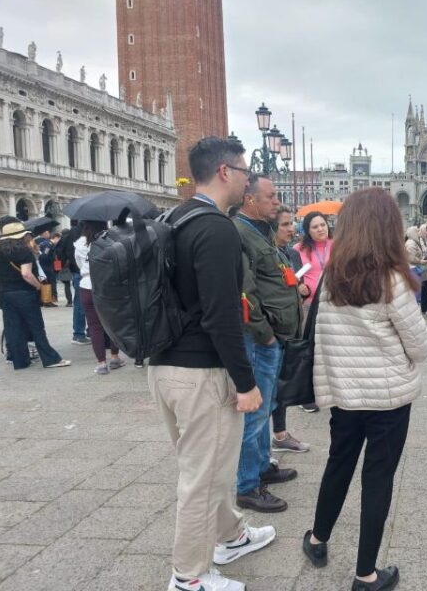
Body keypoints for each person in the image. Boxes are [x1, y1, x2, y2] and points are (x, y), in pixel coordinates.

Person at [149, 137, 275, 591]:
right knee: (202, 478)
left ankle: (231, 536)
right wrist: (245, 382)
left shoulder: (174, 217)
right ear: (224, 172)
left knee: (211, 465)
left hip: (163, 366)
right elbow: (222, 315)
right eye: (243, 170)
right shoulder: (217, 229)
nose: (247, 178)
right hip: (201, 371)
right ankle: (188, 578)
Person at [302, 187, 427, 591]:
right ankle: (366, 574)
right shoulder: (391, 279)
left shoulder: (331, 277)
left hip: (346, 395)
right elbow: (421, 345)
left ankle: (319, 539)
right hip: (388, 399)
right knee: (378, 477)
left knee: (338, 463)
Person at [234, 176, 302, 513]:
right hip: (259, 337)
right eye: (271, 196)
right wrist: (266, 333)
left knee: (266, 405)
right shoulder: (241, 232)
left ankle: (261, 467)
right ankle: (246, 485)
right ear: (249, 199)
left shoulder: (260, 231)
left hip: (270, 336)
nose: (277, 201)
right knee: (256, 413)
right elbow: (244, 291)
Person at [0, 222, 71, 370]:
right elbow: (26, 273)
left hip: (5, 293)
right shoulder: (23, 250)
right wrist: (38, 286)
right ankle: (50, 359)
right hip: (24, 293)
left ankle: (20, 361)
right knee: (36, 326)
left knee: (14, 327)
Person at [271, 204, 311, 453]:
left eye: (292, 223)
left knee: (281, 385)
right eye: (285, 224)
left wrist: (301, 289)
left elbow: (297, 282)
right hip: (271, 332)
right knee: (270, 388)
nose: (292, 228)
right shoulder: (267, 253)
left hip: (289, 329)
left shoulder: (289, 253)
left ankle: (280, 433)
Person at [74, 220, 126, 375]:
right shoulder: (109, 240)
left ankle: (101, 363)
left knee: (94, 325)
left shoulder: (79, 244)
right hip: (106, 283)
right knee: (112, 322)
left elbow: (78, 264)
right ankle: (115, 356)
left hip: (86, 283)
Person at [294, 210, 332, 413]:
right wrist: (299, 286)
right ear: (308, 231)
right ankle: (305, 393)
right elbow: (291, 275)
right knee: (309, 347)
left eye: (323, 224)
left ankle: (324, 389)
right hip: (309, 304)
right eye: (315, 226)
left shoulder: (337, 246)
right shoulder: (299, 249)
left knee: (327, 348)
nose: (320, 229)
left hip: (332, 304)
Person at [59, 220, 89, 344]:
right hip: (81, 272)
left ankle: (82, 332)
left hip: (77, 271)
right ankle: (79, 333)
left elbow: (64, 252)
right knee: (81, 304)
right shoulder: (79, 235)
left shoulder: (71, 233)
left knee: (81, 303)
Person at [404, 225, 427, 304]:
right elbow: (411, 258)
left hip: (416, 268)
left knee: (418, 290)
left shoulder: (414, 242)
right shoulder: (411, 243)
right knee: (416, 291)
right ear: (413, 233)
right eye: (417, 231)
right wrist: (421, 261)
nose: (419, 232)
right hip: (413, 269)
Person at [37, 230, 58, 306]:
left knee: (45, 283)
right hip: (47, 267)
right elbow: (44, 256)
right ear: (55, 238)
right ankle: (47, 300)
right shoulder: (48, 245)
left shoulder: (44, 243)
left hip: (44, 267)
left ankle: (45, 300)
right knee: (48, 283)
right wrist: (53, 258)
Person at [55, 229, 73, 307]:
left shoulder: (59, 242)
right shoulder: (71, 240)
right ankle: (72, 300)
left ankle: (69, 301)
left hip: (62, 265)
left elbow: (56, 254)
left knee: (66, 283)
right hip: (70, 263)